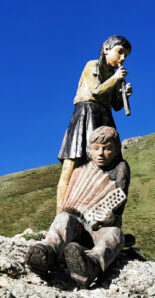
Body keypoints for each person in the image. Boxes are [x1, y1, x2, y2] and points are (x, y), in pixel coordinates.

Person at [26, 126, 130, 287]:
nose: (101, 153)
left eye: (107, 148)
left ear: (116, 150)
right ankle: (48, 252)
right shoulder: (80, 170)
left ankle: (91, 263)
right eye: (96, 149)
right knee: (63, 219)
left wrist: (111, 217)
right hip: (76, 225)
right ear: (90, 149)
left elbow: (119, 205)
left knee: (116, 234)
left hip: (99, 229)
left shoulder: (120, 169)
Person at [56, 35, 132, 213]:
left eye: (125, 56)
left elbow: (116, 105)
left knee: (109, 166)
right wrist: (115, 80)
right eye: (119, 52)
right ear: (106, 49)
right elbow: (95, 92)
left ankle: (102, 216)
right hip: (86, 114)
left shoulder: (114, 75)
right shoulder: (92, 66)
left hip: (104, 118)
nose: (122, 59)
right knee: (72, 165)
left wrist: (124, 95)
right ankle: (60, 216)